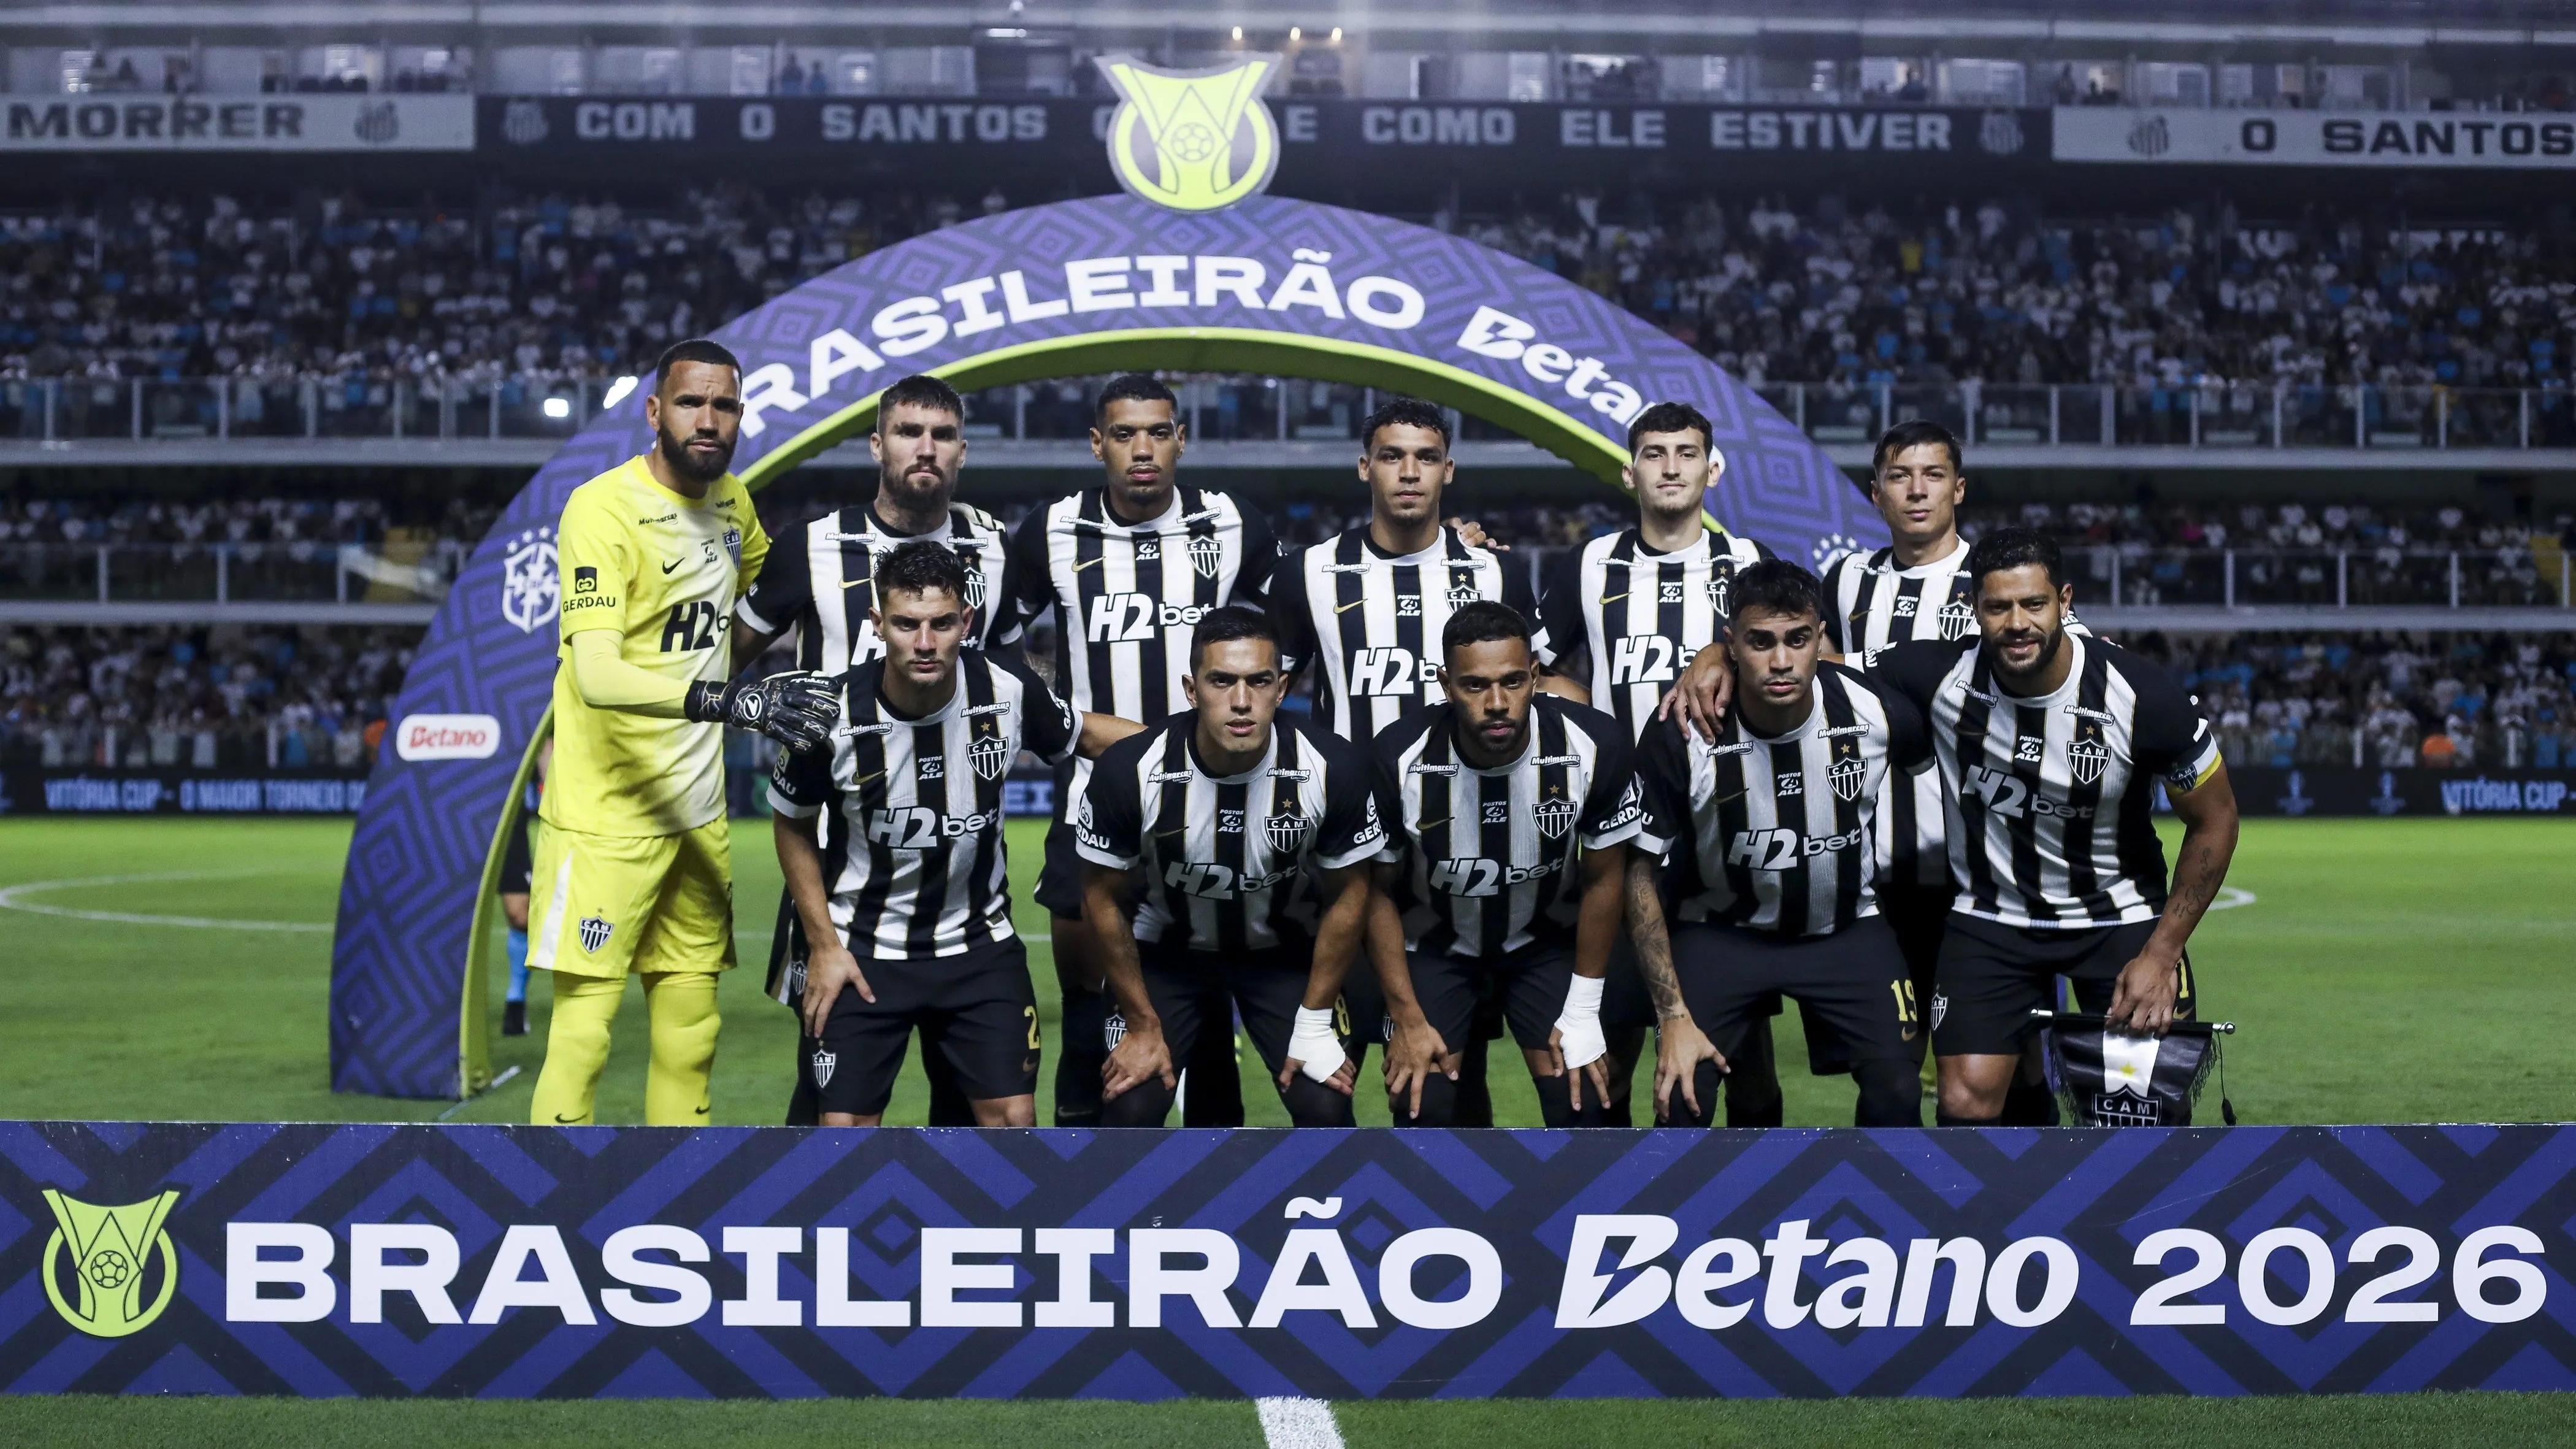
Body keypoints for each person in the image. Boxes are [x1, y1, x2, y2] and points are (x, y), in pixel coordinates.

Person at [526, 339, 838, 1127]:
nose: (710, 420)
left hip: (695, 817)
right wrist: (734, 703)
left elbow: (779, 585)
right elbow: (594, 673)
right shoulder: (601, 510)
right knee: (585, 1037)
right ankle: (550, 1221)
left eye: (725, 405)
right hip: (605, 819)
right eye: (693, 402)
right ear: (655, 410)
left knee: (693, 1033)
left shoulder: (733, 502)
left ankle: (678, 1211)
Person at [1867, 527, 2239, 1127]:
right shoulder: (1935, 675)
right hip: (1991, 917)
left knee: (2139, 1112)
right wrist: (1716, 657)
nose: (2017, 622)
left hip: (2118, 920)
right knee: (1963, 1099)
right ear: (1973, 608)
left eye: (2034, 604)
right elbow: (1816, 669)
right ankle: (2001, 1219)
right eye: (1998, 606)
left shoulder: (2141, 694)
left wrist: (2162, 954)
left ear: (2065, 601)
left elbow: (2216, 820)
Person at [731, 372, 1018, 1127]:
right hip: (834, 874)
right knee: (830, 1098)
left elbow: (1015, 681)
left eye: (943, 435)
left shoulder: (992, 547)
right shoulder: (813, 547)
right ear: (876, 444)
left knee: (970, 1110)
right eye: (908, 432)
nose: (925, 448)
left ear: (963, 453)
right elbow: (724, 661)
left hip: (961, 878)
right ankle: (814, 1237)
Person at [772, 542, 1141, 1128]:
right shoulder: (831, 713)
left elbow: (1088, 735)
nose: (924, 643)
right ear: (877, 624)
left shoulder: (1006, 689)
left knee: (1015, 1123)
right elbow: (792, 826)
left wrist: (1193, 747)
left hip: (978, 949)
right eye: (906, 624)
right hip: (863, 950)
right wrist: (823, 947)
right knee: (840, 1135)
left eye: (942, 624)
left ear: (965, 622)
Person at [1005, 374, 1279, 1128]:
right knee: (1089, 1011)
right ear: (1098, 444)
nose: (1142, 449)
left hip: (1220, 801)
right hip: (1095, 799)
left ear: (1180, 439)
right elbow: (993, 652)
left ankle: (1211, 1185)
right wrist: (1069, 723)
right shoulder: (1053, 529)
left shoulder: (1233, 525)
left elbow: (1296, 627)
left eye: (1157, 432)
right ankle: (1076, 1188)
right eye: (1124, 434)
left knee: (1211, 1002)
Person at [1265, 396, 1533, 1114]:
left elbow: (1545, 685)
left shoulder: (1496, 575)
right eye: (1391, 456)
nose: (1407, 472)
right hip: (1343, 865)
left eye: (1424, 457)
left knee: (1449, 1093)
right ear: (1365, 467)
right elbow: (1266, 693)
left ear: (1448, 470)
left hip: (1461, 861)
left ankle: (1455, 1220)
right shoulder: (1308, 575)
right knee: (1324, 1090)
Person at [1530, 398, 1784, 1128]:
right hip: (1620, 837)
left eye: (1685, 452)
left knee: (1741, 1043)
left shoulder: (1747, 563)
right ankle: (1608, 1205)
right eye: (1654, 453)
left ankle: (1752, 1201)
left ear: (1714, 467)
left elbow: (1800, 663)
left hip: (1723, 835)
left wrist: (1715, 652)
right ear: (1628, 470)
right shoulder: (1592, 563)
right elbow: (1531, 668)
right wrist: (1587, 727)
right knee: (1617, 1036)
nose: (1670, 466)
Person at [1628, 560, 1930, 1129]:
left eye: (1798, 639)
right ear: (1731, 645)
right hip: (1721, 934)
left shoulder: (1878, 712)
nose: (1782, 661)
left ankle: (1884, 1216)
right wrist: (1671, 1015)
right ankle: (1694, 1218)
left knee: (1897, 1089)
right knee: (1681, 1093)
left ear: (1820, 638)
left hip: (1847, 930)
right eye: (1760, 642)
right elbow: (1638, 872)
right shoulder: (1682, 731)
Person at [1081, 607, 1387, 1128]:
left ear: (1282, 687)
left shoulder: (1333, 767)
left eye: (1258, 681)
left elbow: (1350, 893)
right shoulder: (1131, 770)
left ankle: (1321, 1211)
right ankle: (1147, 1213)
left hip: (1283, 955)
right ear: (1192, 689)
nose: (1241, 701)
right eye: (1221, 681)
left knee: (1324, 1102)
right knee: (1131, 1102)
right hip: (1166, 956)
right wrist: (1140, 1022)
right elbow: (1101, 897)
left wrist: (1313, 1022)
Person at [1367, 602, 1655, 1127]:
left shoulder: (1594, 745)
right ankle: (1449, 1211)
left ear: (1536, 677)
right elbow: (1377, 893)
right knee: (1423, 1102)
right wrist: (1406, 1017)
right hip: (1436, 946)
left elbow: (1605, 876)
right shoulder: (1397, 757)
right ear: (1446, 685)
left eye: (1514, 682)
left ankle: (1591, 1210)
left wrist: (1585, 1008)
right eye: (1475, 686)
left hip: (1544, 944)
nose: (1498, 702)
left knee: (1586, 1100)